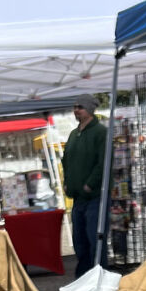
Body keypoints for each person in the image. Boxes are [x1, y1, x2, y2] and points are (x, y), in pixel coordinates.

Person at [61, 95, 107, 275]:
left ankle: (99, 276)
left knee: (95, 240)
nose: (76, 110)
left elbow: (103, 163)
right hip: (78, 197)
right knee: (79, 241)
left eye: (80, 107)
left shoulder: (100, 132)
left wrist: (90, 184)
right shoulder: (74, 134)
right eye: (74, 107)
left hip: (95, 197)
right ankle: (84, 277)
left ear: (89, 109)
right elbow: (66, 161)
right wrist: (67, 182)